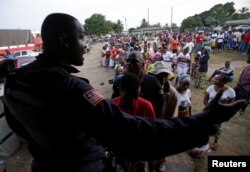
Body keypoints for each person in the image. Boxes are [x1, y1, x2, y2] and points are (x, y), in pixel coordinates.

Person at [1, 13, 248, 172]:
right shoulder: (73, 90)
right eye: (80, 37)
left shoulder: (15, 82)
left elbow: (19, 128)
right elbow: (133, 136)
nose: (85, 44)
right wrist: (205, 121)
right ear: (64, 40)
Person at [112, 73, 155, 172]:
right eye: (128, 96)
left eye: (136, 96)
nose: (133, 101)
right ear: (120, 90)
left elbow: (151, 135)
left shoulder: (146, 107)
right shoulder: (113, 106)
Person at [204, 73, 236, 150]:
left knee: (217, 127)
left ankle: (215, 141)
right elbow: (205, 99)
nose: (215, 80)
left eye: (218, 79)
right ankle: (204, 140)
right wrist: (208, 107)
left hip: (220, 114)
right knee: (206, 125)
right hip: (209, 111)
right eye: (216, 78)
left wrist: (223, 111)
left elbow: (231, 104)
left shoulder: (231, 92)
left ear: (224, 82)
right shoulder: (211, 88)